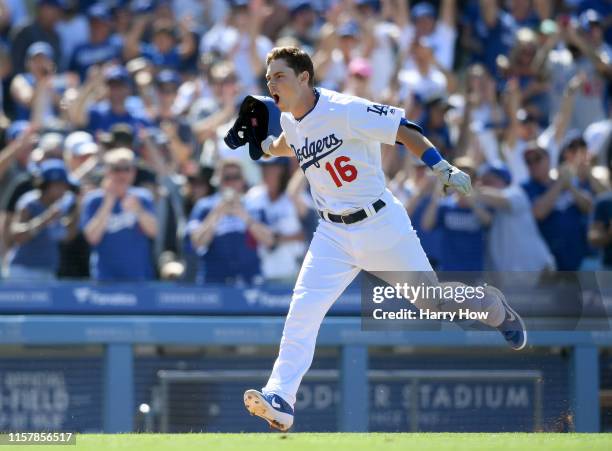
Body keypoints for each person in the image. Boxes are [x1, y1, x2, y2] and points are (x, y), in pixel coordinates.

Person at [231, 46, 526, 431]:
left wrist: (442, 166)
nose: (271, 83)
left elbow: (405, 131)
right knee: (304, 307)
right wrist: (262, 144)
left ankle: (493, 306)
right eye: (269, 78)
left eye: (280, 75)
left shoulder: (345, 108)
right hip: (332, 233)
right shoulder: (290, 121)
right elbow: (286, 142)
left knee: (431, 301)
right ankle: (281, 398)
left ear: (304, 77)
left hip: (380, 224)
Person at [186, 158, 273, 284]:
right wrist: (217, 212)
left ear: (243, 181)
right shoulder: (204, 206)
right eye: (227, 178)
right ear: (217, 181)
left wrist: (244, 216)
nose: (232, 182)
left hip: (249, 280)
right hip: (214, 281)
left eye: (236, 177)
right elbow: (196, 243)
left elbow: (270, 241)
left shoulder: (254, 205)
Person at [81, 147, 158, 281]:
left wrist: (138, 210)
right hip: (105, 278)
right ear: (107, 171)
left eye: (126, 168)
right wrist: (108, 202)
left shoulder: (143, 197)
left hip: (139, 277)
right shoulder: (94, 200)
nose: (122, 174)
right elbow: (92, 238)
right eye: (116, 169)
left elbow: (153, 232)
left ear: (133, 172)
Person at [6, 159, 78, 280]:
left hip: (48, 270)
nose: (63, 190)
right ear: (46, 185)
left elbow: (67, 237)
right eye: (59, 185)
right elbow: (17, 236)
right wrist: (45, 219)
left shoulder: (62, 205)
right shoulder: (30, 203)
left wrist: (78, 209)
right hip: (23, 270)